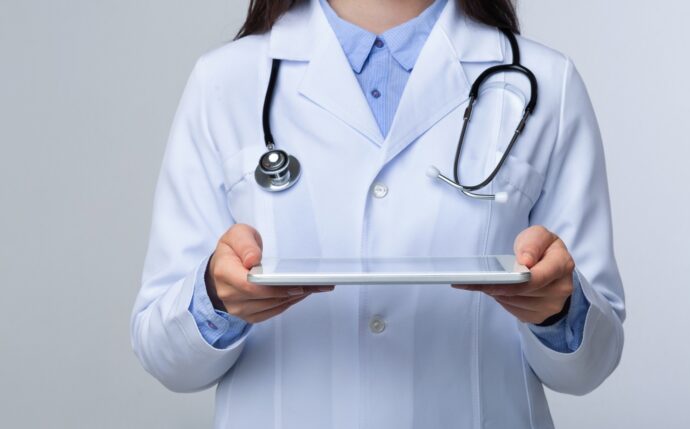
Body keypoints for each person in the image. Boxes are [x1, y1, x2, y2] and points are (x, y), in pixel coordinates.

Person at [131, 0, 625, 427]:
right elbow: (166, 356)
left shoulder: (546, 82)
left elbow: (591, 365)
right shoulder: (226, 81)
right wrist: (219, 301)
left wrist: (558, 311)